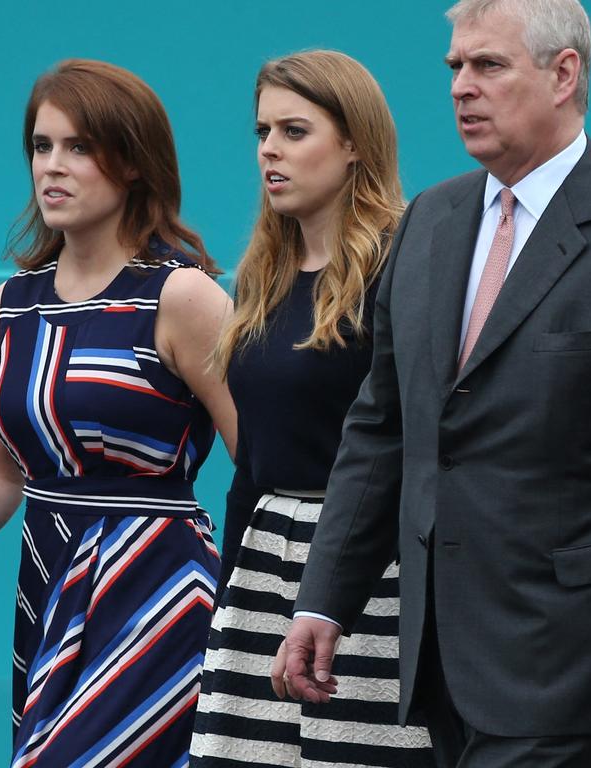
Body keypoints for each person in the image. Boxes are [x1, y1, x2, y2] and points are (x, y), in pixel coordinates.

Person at [275, 2, 591, 767]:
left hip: (577, 658)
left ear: (563, 74)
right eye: (454, 68)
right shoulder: (427, 224)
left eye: (488, 66)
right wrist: (324, 600)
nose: (461, 88)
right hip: (439, 657)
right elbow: (382, 430)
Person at [0, 59, 237, 767]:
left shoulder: (182, 298)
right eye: (42, 145)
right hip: (47, 578)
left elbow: (264, 457)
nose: (53, 166)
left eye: (80, 147)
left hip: (156, 589)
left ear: (134, 164)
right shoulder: (11, 309)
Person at [190, 50, 434, 767]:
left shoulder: (407, 265)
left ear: (354, 142)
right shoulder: (261, 279)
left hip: (372, 574)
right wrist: (227, 601)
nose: (270, 148)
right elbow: (252, 463)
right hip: (264, 566)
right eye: (263, 131)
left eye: (295, 131)